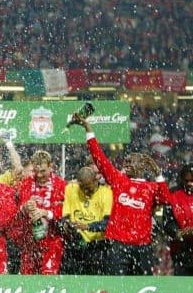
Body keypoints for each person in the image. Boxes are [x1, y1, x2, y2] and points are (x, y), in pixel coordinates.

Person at [72, 113, 170, 275]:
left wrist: (158, 174)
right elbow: (100, 159)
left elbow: (165, 200)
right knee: (116, 288)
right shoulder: (119, 180)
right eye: (126, 161)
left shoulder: (151, 187)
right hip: (117, 245)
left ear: (143, 165)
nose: (127, 164)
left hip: (142, 246)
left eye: (132, 161)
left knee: (142, 287)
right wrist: (89, 130)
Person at [17, 151, 66, 275]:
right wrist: (25, 207)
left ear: (51, 166)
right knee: (27, 278)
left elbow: (64, 211)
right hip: (30, 240)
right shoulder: (26, 183)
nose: (39, 175)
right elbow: (19, 208)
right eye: (36, 171)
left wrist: (45, 213)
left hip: (52, 240)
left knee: (47, 277)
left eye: (43, 171)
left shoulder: (60, 184)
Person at [60, 166, 112, 275]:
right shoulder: (71, 188)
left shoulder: (106, 193)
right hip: (75, 244)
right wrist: (66, 224)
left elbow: (107, 223)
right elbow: (65, 216)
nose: (86, 191)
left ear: (95, 180)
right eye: (82, 187)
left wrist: (87, 226)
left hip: (98, 247)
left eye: (88, 187)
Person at [164, 164, 193, 275]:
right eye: (187, 181)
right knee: (183, 288)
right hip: (181, 251)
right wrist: (178, 233)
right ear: (181, 179)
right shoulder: (173, 194)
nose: (190, 184)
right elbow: (168, 222)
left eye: (192, 180)